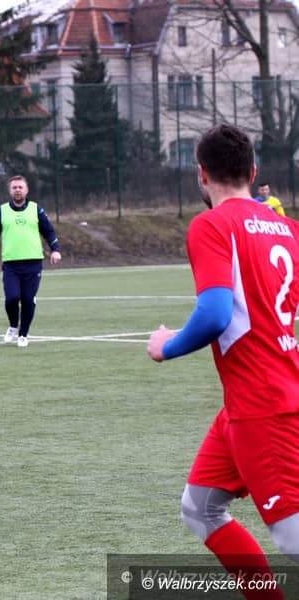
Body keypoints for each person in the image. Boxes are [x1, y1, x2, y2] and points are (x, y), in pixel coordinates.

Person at [148, 123, 299, 597]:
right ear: (253, 173)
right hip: (247, 405)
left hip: (264, 408)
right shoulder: (288, 228)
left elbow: (214, 314)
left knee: (293, 540)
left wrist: (166, 345)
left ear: (201, 174)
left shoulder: (211, 224)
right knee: (200, 508)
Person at [0, 175, 62, 348]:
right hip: (11, 264)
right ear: (10, 191)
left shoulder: (36, 210)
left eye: (20, 187)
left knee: (28, 299)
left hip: (33, 263)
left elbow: (49, 231)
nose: (17, 190)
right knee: (12, 298)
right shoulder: (1, 211)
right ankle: (13, 325)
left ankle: (23, 335)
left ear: (27, 190)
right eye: (14, 187)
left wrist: (55, 250)